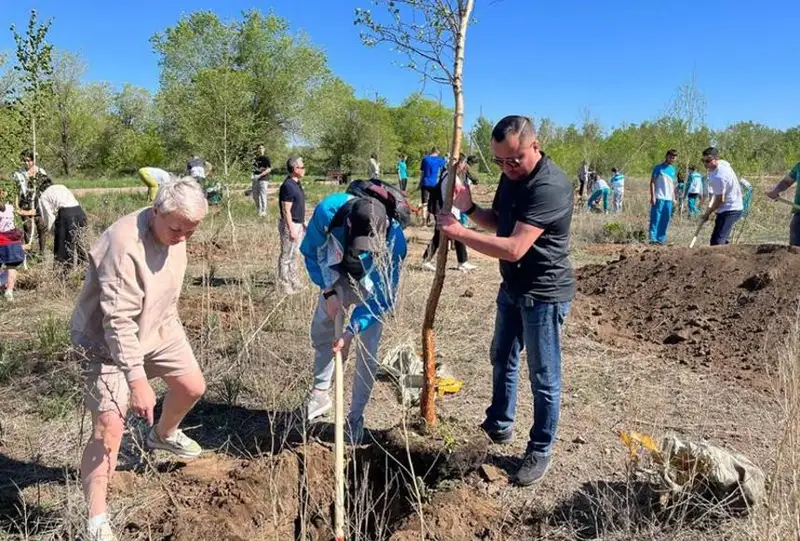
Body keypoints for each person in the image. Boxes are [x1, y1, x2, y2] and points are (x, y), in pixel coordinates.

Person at [71, 178, 209, 541]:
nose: (183, 237)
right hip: (107, 345)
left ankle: (163, 435)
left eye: (190, 231)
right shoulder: (124, 246)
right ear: (156, 211)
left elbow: (166, 288)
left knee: (192, 387)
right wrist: (136, 380)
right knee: (109, 427)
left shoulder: (176, 231)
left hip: (159, 327)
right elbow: (117, 323)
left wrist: (165, 327)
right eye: (177, 229)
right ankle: (96, 522)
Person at [438, 115, 573, 487]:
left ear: (535, 145)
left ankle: (540, 448)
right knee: (502, 357)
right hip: (512, 287)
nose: (508, 168)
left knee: (544, 376)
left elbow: (514, 247)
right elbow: (500, 223)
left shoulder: (550, 185)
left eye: (514, 160)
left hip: (543, 294)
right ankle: (498, 424)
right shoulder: (510, 176)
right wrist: (469, 209)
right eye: (500, 162)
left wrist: (459, 232)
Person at [300, 191, 407, 444]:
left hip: (371, 282)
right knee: (324, 327)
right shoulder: (329, 212)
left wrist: (351, 331)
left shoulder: (396, 242)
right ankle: (321, 392)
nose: (365, 249)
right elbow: (311, 252)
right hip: (337, 273)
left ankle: (355, 417)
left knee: (368, 349)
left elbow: (381, 298)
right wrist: (328, 292)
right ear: (349, 223)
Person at [422, 154, 476, 273]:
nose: (464, 166)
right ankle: (426, 260)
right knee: (440, 236)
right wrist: (449, 212)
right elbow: (446, 196)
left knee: (457, 236)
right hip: (447, 211)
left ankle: (462, 261)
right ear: (459, 163)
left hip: (451, 210)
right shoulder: (449, 176)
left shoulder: (452, 176)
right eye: (463, 163)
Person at [19, 178, 88, 272]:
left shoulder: (43, 196)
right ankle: (85, 270)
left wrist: (56, 232)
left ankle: (63, 274)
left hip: (66, 215)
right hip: (80, 212)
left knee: (63, 247)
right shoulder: (62, 186)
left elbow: (48, 217)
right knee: (81, 243)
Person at [700, 147, 743, 245]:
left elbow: (720, 200)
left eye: (708, 161)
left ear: (716, 159)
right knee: (715, 240)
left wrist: (708, 213)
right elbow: (716, 195)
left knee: (718, 242)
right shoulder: (722, 164)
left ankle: (725, 255)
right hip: (726, 208)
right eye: (703, 161)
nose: (705, 164)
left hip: (731, 209)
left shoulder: (719, 176)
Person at [278, 157, 307, 294]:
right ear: (295, 169)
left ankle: (294, 281)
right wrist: (291, 229)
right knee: (286, 256)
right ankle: (284, 285)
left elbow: (298, 206)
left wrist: (302, 222)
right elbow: (286, 210)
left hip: (298, 224)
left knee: (295, 254)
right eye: (302, 167)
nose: (304, 169)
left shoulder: (297, 184)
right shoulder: (288, 186)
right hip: (290, 225)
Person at [14, 149, 48, 255]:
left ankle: (42, 253)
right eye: (24, 160)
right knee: (27, 227)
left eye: (29, 160)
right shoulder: (18, 174)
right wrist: (17, 207)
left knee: (41, 226)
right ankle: (29, 253)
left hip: (39, 203)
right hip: (25, 203)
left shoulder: (41, 172)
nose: (27, 163)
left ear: (34, 160)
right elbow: (16, 192)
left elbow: (46, 189)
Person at [0, 184, 25, 302]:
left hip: (2, 241)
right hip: (12, 242)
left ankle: (4, 287)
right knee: (11, 267)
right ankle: (9, 291)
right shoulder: (10, 208)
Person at [649, 149, 678, 244]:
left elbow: (673, 184)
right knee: (655, 218)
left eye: (674, 157)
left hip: (669, 199)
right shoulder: (658, 168)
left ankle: (660, 239)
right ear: (666, 156)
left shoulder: (673, 170)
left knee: (665, 219)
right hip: (659, 197)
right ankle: (652, 239)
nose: (672, 159)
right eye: (670, 157)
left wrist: (674, 197)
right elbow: (652, 182)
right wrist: (653, 196)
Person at [767, 161, 800, 245]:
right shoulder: (799, 166)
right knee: (795, 247)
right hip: (799, 212)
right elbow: (787, 181)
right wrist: (776, 190)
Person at [419, 147, 447, 226]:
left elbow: (422, 173)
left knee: (424, 203)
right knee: (434, 202)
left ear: (431, 151)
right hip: (435, 184)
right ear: (438, 152)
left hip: (425, 183)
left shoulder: (425, 159)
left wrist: (419, 183)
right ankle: (436, 220)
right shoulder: (440, 160)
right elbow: (445, 169)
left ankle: (424, 222)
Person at [252, 144, 272, 217]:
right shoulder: (255, 159)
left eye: (261, 148)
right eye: (259, 148)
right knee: (255, 195)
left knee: (263, 195)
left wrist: (260, 175)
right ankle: (258, 209)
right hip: (255, 178)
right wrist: (253, 175)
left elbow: (269, 169)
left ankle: (264, 211)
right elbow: (253, 169)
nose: (260, 149)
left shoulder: (266, 158)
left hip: (263, 178)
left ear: (264, 149)